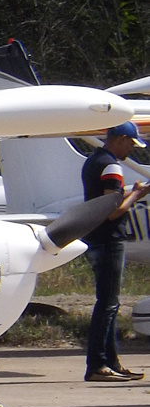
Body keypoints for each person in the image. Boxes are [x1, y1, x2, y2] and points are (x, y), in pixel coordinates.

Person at [81, 122, 150, 382]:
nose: (130, 150)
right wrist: (138, 193)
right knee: (107, 303)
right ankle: (98, 363)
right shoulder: (111, 165)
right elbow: (113, 210)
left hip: (96, 236)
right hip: (109, 238)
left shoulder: (94, 161)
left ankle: (111, 361)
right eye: (130, 144)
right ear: (120, 139)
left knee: (108, 302)